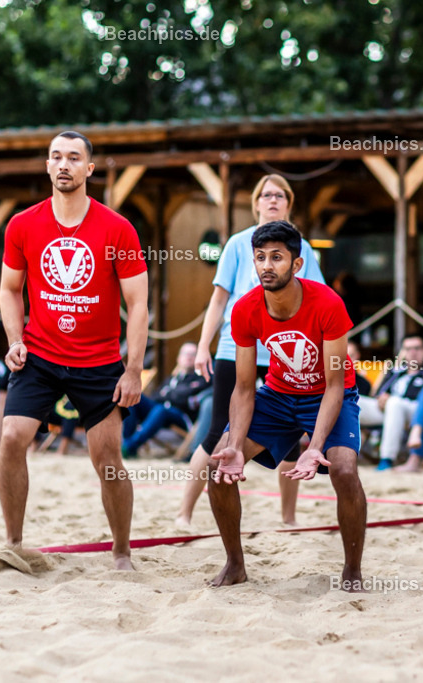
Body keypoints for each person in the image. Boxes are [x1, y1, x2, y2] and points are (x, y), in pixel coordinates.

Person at [0, 130, 148, 571]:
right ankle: (14, 542)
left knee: (107, 459)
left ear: (89, 169)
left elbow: (138, 304)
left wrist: (133, 369)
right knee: (10, 438)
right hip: (39, 355)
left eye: (73, 158)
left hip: (100, 361)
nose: (64, 164)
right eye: (56, 157)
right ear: (47, 166)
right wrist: (14, 340)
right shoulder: (22, 224)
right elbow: (10, 290)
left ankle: (121, 550)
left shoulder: (117, 228)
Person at [208, 221, 366, 588]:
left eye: (276, 258)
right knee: (219, 467)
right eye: (260, 258)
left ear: (296, 264)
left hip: (330, 394)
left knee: (343, 470)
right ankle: (235, 564)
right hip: (278, 395)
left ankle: (352, 571)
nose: (267, 265)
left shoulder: (328, 302)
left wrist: (313, 447)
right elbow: (245, 388)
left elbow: (334, 385)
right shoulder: (245, 309)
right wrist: (233, 445)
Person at [176, 174, 324, 528]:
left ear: (288, 203)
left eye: (280, 195)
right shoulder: (238, 244)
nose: (272, 200)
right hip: (234, 346)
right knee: (217, 433)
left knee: (290, 437)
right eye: (266, 194)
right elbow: (218, 299)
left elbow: (317, 301)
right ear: (256, 202)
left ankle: (288, 519)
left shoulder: (304, 250)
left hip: (283, 350)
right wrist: (202, 346)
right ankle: (184, 514)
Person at [366, 335, 423, 470]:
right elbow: (379, 393)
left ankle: (387, 458)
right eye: (408, 349)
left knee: (395, 403)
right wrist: (381, 398)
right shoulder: (395, 371)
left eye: (417, 348)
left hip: (414, 411)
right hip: (387, 410)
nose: (412, 352)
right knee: (351, 402)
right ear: (403, 352)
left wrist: (389, 400)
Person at [122, 342, 211, 458]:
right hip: (159, 410)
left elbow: (183, 400)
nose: (189, 357)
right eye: (185, 353)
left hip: (181, 416)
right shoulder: (171, 378)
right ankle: (127, 443)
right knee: (133, 398)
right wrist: (175, 394)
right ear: (179, 358)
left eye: (193, 354)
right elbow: (156, 396)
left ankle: (129, 446)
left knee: (161, 409)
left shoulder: (202, 379)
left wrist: (171, 395)